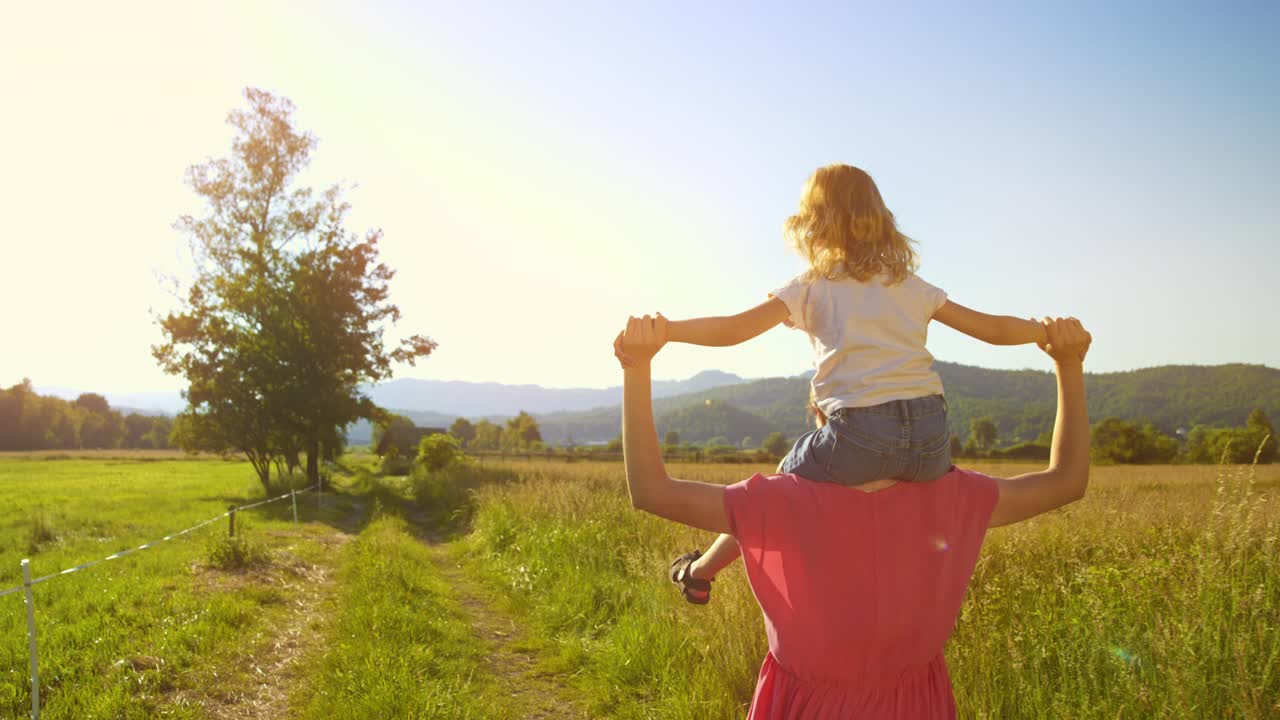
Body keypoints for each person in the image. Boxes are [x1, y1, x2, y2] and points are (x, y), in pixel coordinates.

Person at [613, 314, 1091, 718]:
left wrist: (637, 366)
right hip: (916, 704)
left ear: (823, 415)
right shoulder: (957, 497)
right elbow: (1066, 480)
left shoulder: (779, 500)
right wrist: (1068, 364)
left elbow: (653, 492)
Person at [616, 164, 1052, 604]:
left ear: (814, 227)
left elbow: (732, 330)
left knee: (773, 498)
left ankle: (700, 573)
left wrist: (666, 330)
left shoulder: (812, 284)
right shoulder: (909, 284)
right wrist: (1044, 332)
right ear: (880, 223)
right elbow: (993, 330)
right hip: (932, 440)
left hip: (860, 434)